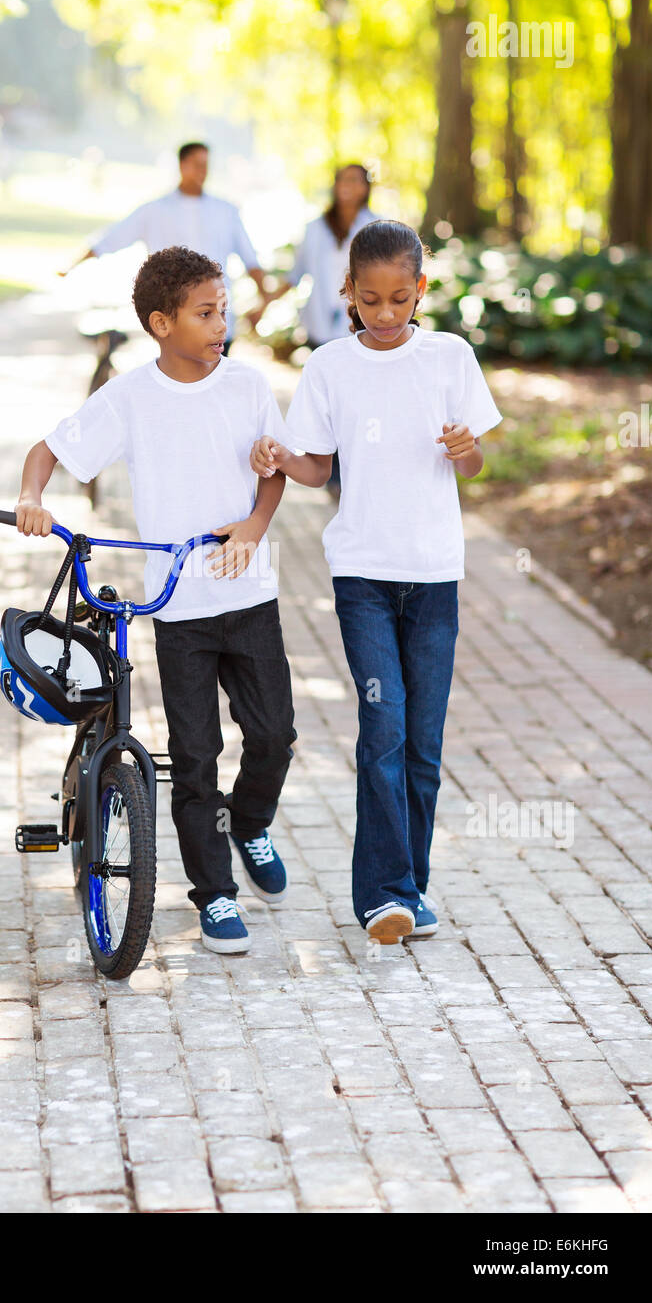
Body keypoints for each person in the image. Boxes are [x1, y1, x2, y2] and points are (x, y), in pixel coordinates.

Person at [15, 246, 297, 954]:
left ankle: (252, 823)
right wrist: (31, 498)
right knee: (195, 755)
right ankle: (216, 896)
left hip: (250, 593)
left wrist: (257, 523)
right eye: (206, 314)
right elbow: (49, 450)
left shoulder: (247, 387)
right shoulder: (132, 397)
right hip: (179, 613)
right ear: (161, 322)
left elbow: (274, 473)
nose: (221, 324)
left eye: (224, 311)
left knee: (273, 736)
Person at [250, 219, 502, 947]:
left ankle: (412, 888)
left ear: (421, 289)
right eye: (369, 301)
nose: (386, 315)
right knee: (383, 729)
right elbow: (316, 466)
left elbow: (475, 464)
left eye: (399, 298)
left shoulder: (450, 356)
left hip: (433, 578)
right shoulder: (331, 367)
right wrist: (278, 456)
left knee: (423, 743)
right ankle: (382, 894)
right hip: (362, 573)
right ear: (347, 295)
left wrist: (468, 451)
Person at [58, 142, 271, 353]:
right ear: (181, 165)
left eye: (205, 165)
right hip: (173, 320)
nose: (202, 171)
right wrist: (71, 265)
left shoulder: (226, 212)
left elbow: (250, 260)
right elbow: (110, 239)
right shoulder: (155, 210)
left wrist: (263, 301)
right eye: (196, 164)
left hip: (217, 321)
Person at [251, 163, 379, 493]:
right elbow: (297, 276)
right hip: (322, 328)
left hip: (362, 329)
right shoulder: (315, 229)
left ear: (366, 188)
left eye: (355, 180)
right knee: (329, 403)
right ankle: (332, 470)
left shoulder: (375, 228)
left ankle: (358, 465)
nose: (348, 186)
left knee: (356, 401)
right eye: (342, 180)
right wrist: (264, 304)